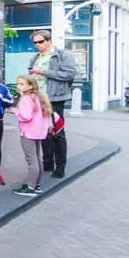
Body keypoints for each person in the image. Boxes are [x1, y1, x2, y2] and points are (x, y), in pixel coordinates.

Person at [28, 30, 76, 178]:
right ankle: (47, 163)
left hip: (55, 98)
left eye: (40, 41)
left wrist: (44, 71)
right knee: (43, 131)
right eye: (35, 42)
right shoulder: (35, 57)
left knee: (57, 132)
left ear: (49, 40)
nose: (37, 44)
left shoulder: (62, 55)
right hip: (38, 99)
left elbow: (69, 74)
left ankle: (60, 168)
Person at [13, 75, 52, 196]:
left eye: (21, 84)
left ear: (30, 86)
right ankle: (36, 184)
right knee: (37, 158)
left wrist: (16, 111)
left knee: (31, 159)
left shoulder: (26, 99)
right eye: (18, 83)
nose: (18, 86)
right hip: (38, 132)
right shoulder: (39, 97)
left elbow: (26, 116)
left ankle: (30, 187)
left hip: (28, 132)